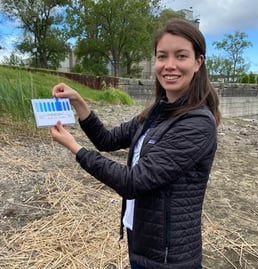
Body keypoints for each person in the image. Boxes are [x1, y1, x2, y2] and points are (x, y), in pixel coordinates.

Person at [50, 18, 221, 269]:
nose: (169, 65)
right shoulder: (157, 112)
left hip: (168, 256)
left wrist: (76, 148)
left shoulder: (197, 124)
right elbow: (106, 140)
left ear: (198, 62)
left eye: (181, 56)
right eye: (162, 56)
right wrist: (78, 102)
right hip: (141, 235)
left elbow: (133, 182)